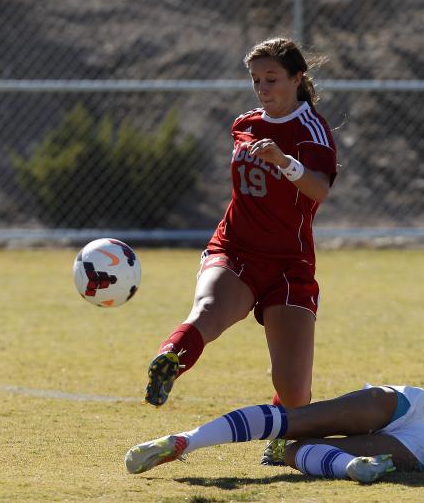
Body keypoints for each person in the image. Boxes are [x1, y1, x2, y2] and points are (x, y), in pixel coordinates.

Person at [144, 38, 337, 465]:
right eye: (255, 80)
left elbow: (319, 189)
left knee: (293, 390)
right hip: (235, 248)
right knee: (207, 311)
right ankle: (169, 360)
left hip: (289, 265)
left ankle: (282, 439)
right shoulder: (245, 122)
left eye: (271, 79)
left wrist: (284, 162)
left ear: (297, 78)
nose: (262, 88)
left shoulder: (312, 130)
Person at [126, 378, 424, 483]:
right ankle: (349, 465)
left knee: (299, 418)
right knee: (298, 449)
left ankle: (191, 438)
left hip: (420, 402)